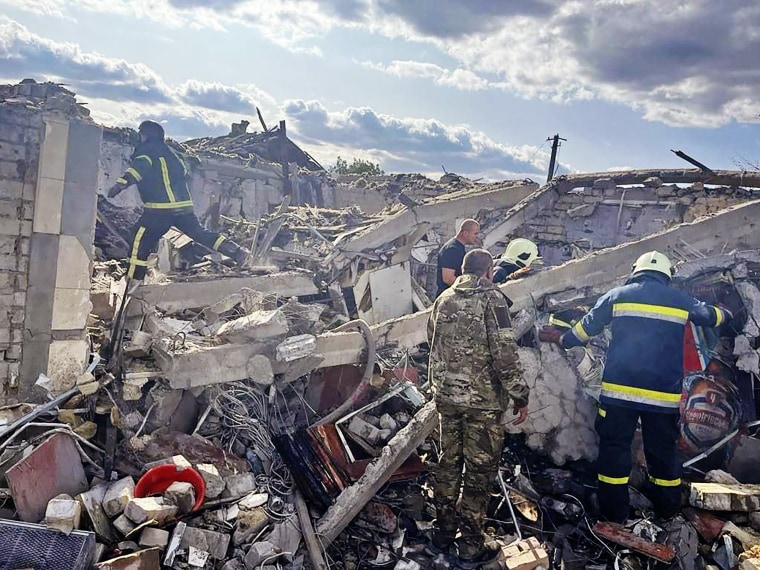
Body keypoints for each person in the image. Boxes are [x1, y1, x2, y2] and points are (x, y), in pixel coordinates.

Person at [539, 251, 731, 522]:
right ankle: (666, 510)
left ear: (635, 270)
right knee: (662, 451)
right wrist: (726, 313)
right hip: (662, 398)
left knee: (614, 449)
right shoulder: (679, 299)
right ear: (666, 275)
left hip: (619, 396)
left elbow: (584, 331)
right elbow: (711, 316)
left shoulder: (617, 295)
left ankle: (613, 511)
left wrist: (562, 338)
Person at [427, 248, 530, 565]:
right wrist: (519, 394)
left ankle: (442, 534)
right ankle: (470, 544)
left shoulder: (443, 299)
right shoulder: (493, 300)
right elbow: (504, 352)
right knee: (478, 472)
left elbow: (432, 341)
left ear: (461, 269)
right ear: (488, 272)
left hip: (447, 399)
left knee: (447, 464)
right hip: (481, 404)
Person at [107, 120, 248, 282]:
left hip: (159, 210)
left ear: (147, 135)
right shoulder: (172, 153)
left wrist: (120, 185)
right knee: (200, 234)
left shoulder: (147, 151)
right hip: (183, 208)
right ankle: (238, 252)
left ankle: (133, 280)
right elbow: (183, 171)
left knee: (139, 239)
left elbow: (139, 168)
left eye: (142, 134)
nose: (140, 137)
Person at [435, 219, 480, 297]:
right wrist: (468, 290)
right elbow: (448, 278)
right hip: (449, 298)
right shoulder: (452, 249)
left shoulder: (458, 247)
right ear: (465, 233)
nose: (477, 237)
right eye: (475, 234)